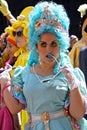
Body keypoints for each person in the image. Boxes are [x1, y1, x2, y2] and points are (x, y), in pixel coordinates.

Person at [0, 1, 87, 130]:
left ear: (61, 45)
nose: (48, 50)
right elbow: (14, 108)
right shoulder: (24, 73)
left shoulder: (70, 74)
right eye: (43, 44)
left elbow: (78, 114)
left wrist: (74, 85)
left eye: (53, 44)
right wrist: (4, 83)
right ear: (36, 46)